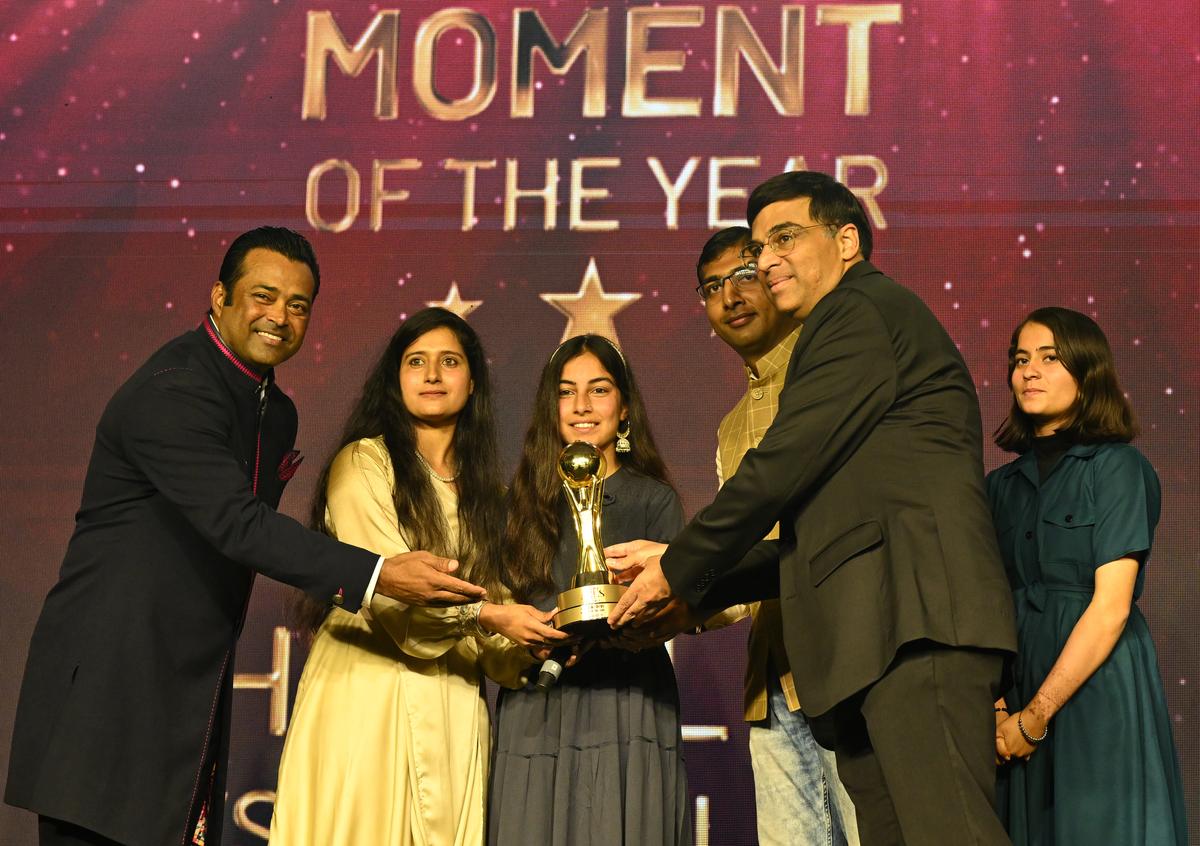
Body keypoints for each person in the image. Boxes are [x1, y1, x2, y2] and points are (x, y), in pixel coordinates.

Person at [6, 229, 487, 846]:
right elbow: (240, 525)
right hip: (114, 676)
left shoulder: (274, 410)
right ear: (219, 297)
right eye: (264, 296)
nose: (279, 317)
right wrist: (380, 573)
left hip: (194, 683)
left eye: (298, 304)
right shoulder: (174, 389)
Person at [607, 171, 1018, 844]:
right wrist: (696, 579)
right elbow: (810, 541)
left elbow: (778, 467)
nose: (767, 260)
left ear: (847, 240)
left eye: (785, 238)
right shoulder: (841, 335)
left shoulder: (860, 314)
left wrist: (681, 565)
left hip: (917, 629)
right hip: (870, 647)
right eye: (760, 246)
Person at [269, 308, 567, 846]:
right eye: (416, 362)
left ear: (472, 382)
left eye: (448, 362)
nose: (432, 374)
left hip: (453, 707)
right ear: (395, 379)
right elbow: (388, 591)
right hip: (366, 696)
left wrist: (540, 641)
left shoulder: (491, 499)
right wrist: (490, 615)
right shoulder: (363, 463)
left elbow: (496, 643)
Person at [987, 307, 1187, 845]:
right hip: (1016, 688)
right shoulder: (999, 486)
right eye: (1020, 359)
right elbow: (986, 602)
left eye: (1049, 359)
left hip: (1094, 687)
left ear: (1087, 371)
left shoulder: (1118, 467)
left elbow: (1111, 606)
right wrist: (1002, 708)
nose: (1029, 371)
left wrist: (1036, 715)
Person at [488, 335, 691, 846]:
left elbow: (677, 603)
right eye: (566, 392)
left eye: (598, 390)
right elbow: (501, 602)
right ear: (549, 407)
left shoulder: (654, 499)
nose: (581, 405)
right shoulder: (518, 501)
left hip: (629, 696)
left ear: (624, 411)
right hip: (541, 694)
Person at [694, 227, 857, 845]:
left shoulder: (829, 374)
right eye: (713, 287)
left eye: (743, 274)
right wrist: (676, 602)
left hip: (848, 663)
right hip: (772, 682)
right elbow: (744, 570)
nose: (731, 296)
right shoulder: (732, 426)